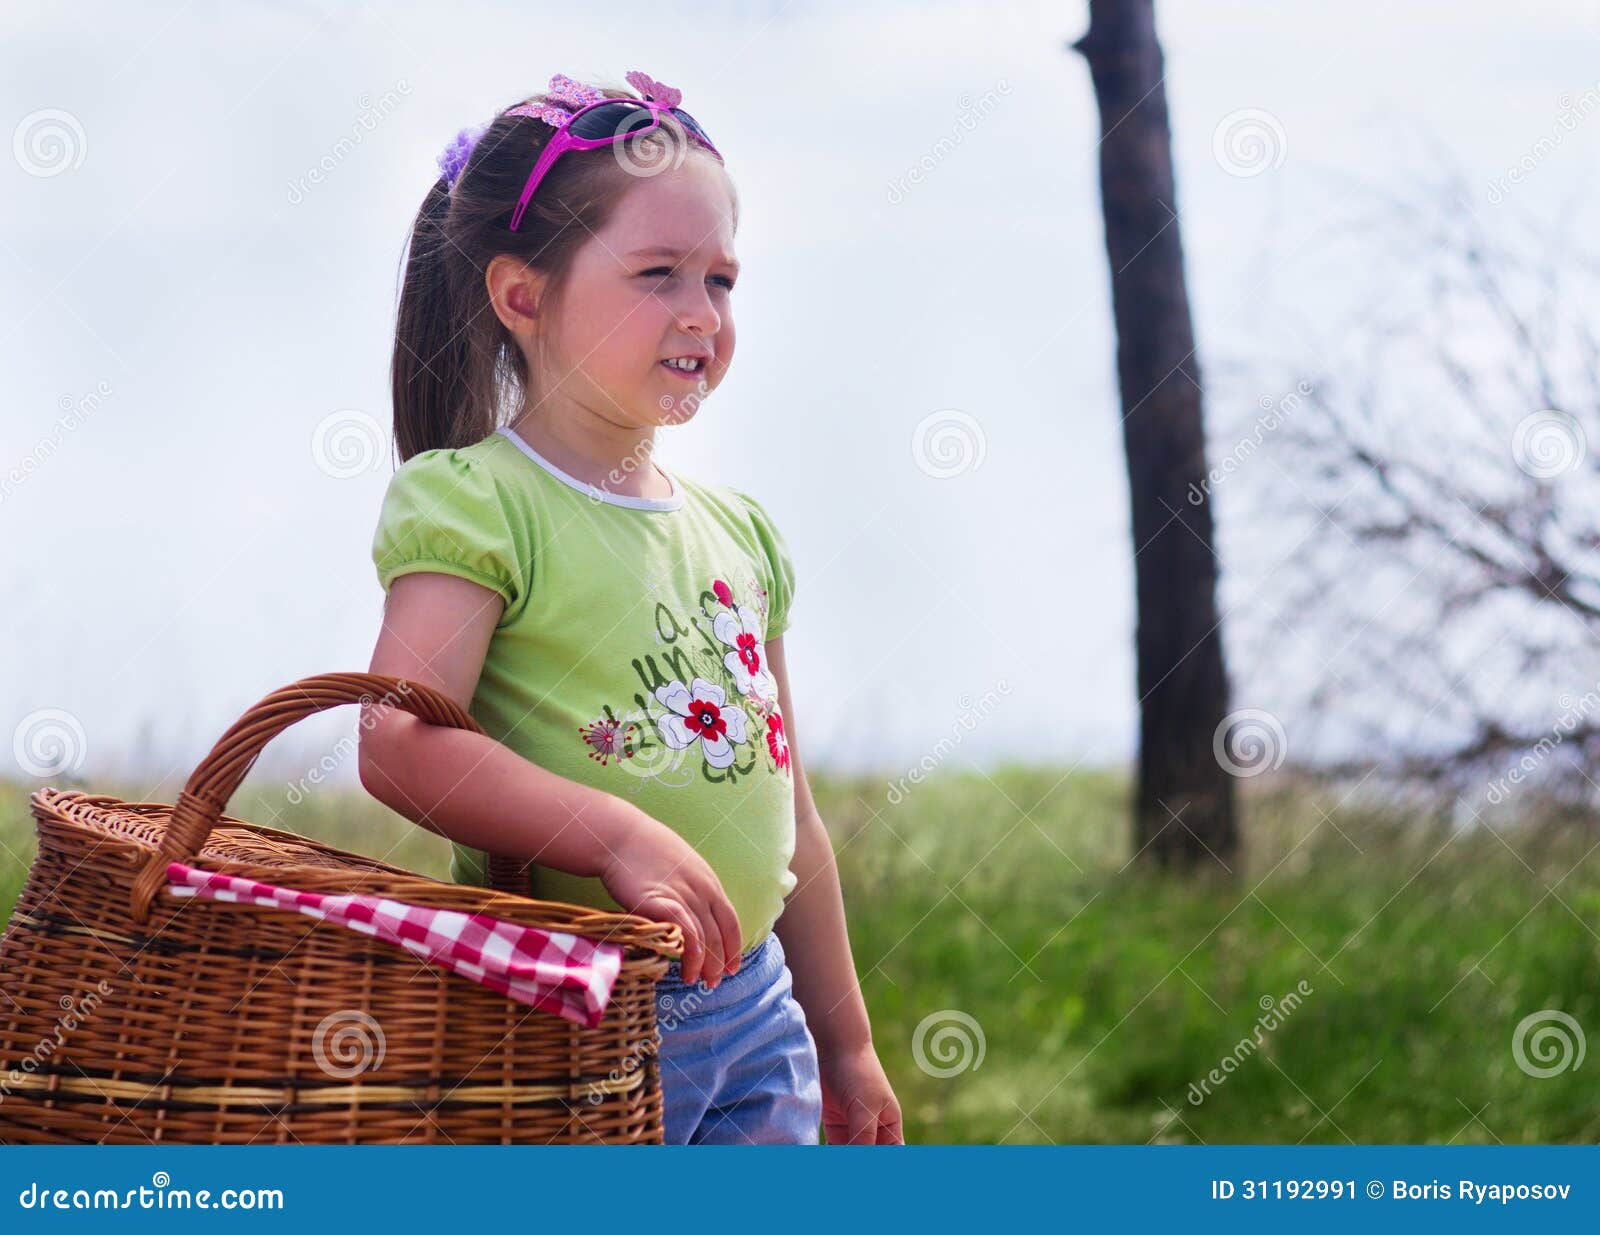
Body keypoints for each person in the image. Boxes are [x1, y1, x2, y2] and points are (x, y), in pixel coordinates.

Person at [357, 70, 902, 1145]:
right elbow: (396, 739)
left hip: (756, 1011)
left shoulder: (737, 531)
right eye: (658, 273)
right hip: (573, 1023)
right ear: (522, 297)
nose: (701, 313)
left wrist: (845, 1041)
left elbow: (788, 812)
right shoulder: (478, 502)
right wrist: (608, 832)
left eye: (722, 278)